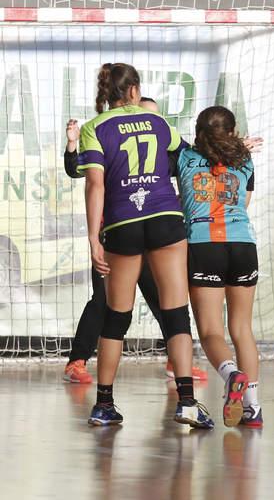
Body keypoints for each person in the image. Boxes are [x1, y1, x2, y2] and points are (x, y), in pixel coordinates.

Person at [79, 62, 213, 428]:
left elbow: (95, 185)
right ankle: (186, 402)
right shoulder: (158, 122)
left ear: (107, 92)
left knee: (116, 317)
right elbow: (187, 156)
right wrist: (234, 150)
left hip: (123, 222)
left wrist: (93, 237)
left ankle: (104, 405)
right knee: (175, 313)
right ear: (135, 90)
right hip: (165, 218)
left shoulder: (94, 128)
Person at [62, 98, 208, 384]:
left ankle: (177, 363)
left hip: (153, 238)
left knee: (164, 302)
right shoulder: (109, 145)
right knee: (103, 303)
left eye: (152, 116)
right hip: (119, 238)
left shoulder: (166, 155)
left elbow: (194, 165)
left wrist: (231, 152)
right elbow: (79, 170)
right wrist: (71, 145)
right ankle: (77, 361)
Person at [176, 106, 262, 428]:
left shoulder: (184, 157)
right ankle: (253, 408)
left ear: (198, 131)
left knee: (211, 329)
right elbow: (246, 202)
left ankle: (231, 374)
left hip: (203, 243)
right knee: (242, 328)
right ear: (233, 130)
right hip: (243, 244)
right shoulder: (245, 159)